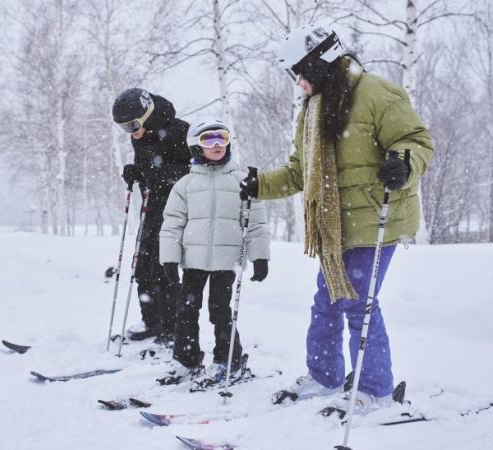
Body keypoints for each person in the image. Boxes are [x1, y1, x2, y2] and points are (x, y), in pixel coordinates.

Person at [239, 24, 434, 413]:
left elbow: (416, 141)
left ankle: (375, 389)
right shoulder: (312, 110)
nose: (297, 82)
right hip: (335, 227)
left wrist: (403, 163)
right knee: (326, 302)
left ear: (322, 62)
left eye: (300, 71)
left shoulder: (378, 93)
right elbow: (299, 172)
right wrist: (260, 184)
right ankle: (324, 376)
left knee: (358, 303)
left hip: (379, 216)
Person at [159, 119, 271, 385]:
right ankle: (186, 359)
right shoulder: (185, 185)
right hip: (193, 260)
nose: (217, 144)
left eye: (221, 138)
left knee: (220, 311)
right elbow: (172, 223)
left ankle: (228, 361)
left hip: (226, 260)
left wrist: (260, 257)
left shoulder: (241, 181)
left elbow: (256, 222)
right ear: (196, 146)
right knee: (186, 309)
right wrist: (170, 259)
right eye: (209, 140)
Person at [112, 88, 191, 342]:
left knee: (162, 269)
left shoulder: (180, 131)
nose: (131, 131)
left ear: (148, 113)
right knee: (142, 266)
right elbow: (147, 168)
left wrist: (164, 175)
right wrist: (135, 172)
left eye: (133, 124)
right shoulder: (139, 136)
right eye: (124, 128)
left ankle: (171, 329)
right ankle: (151, 321)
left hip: (176, 210)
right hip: (152, 207)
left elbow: (196, 171)